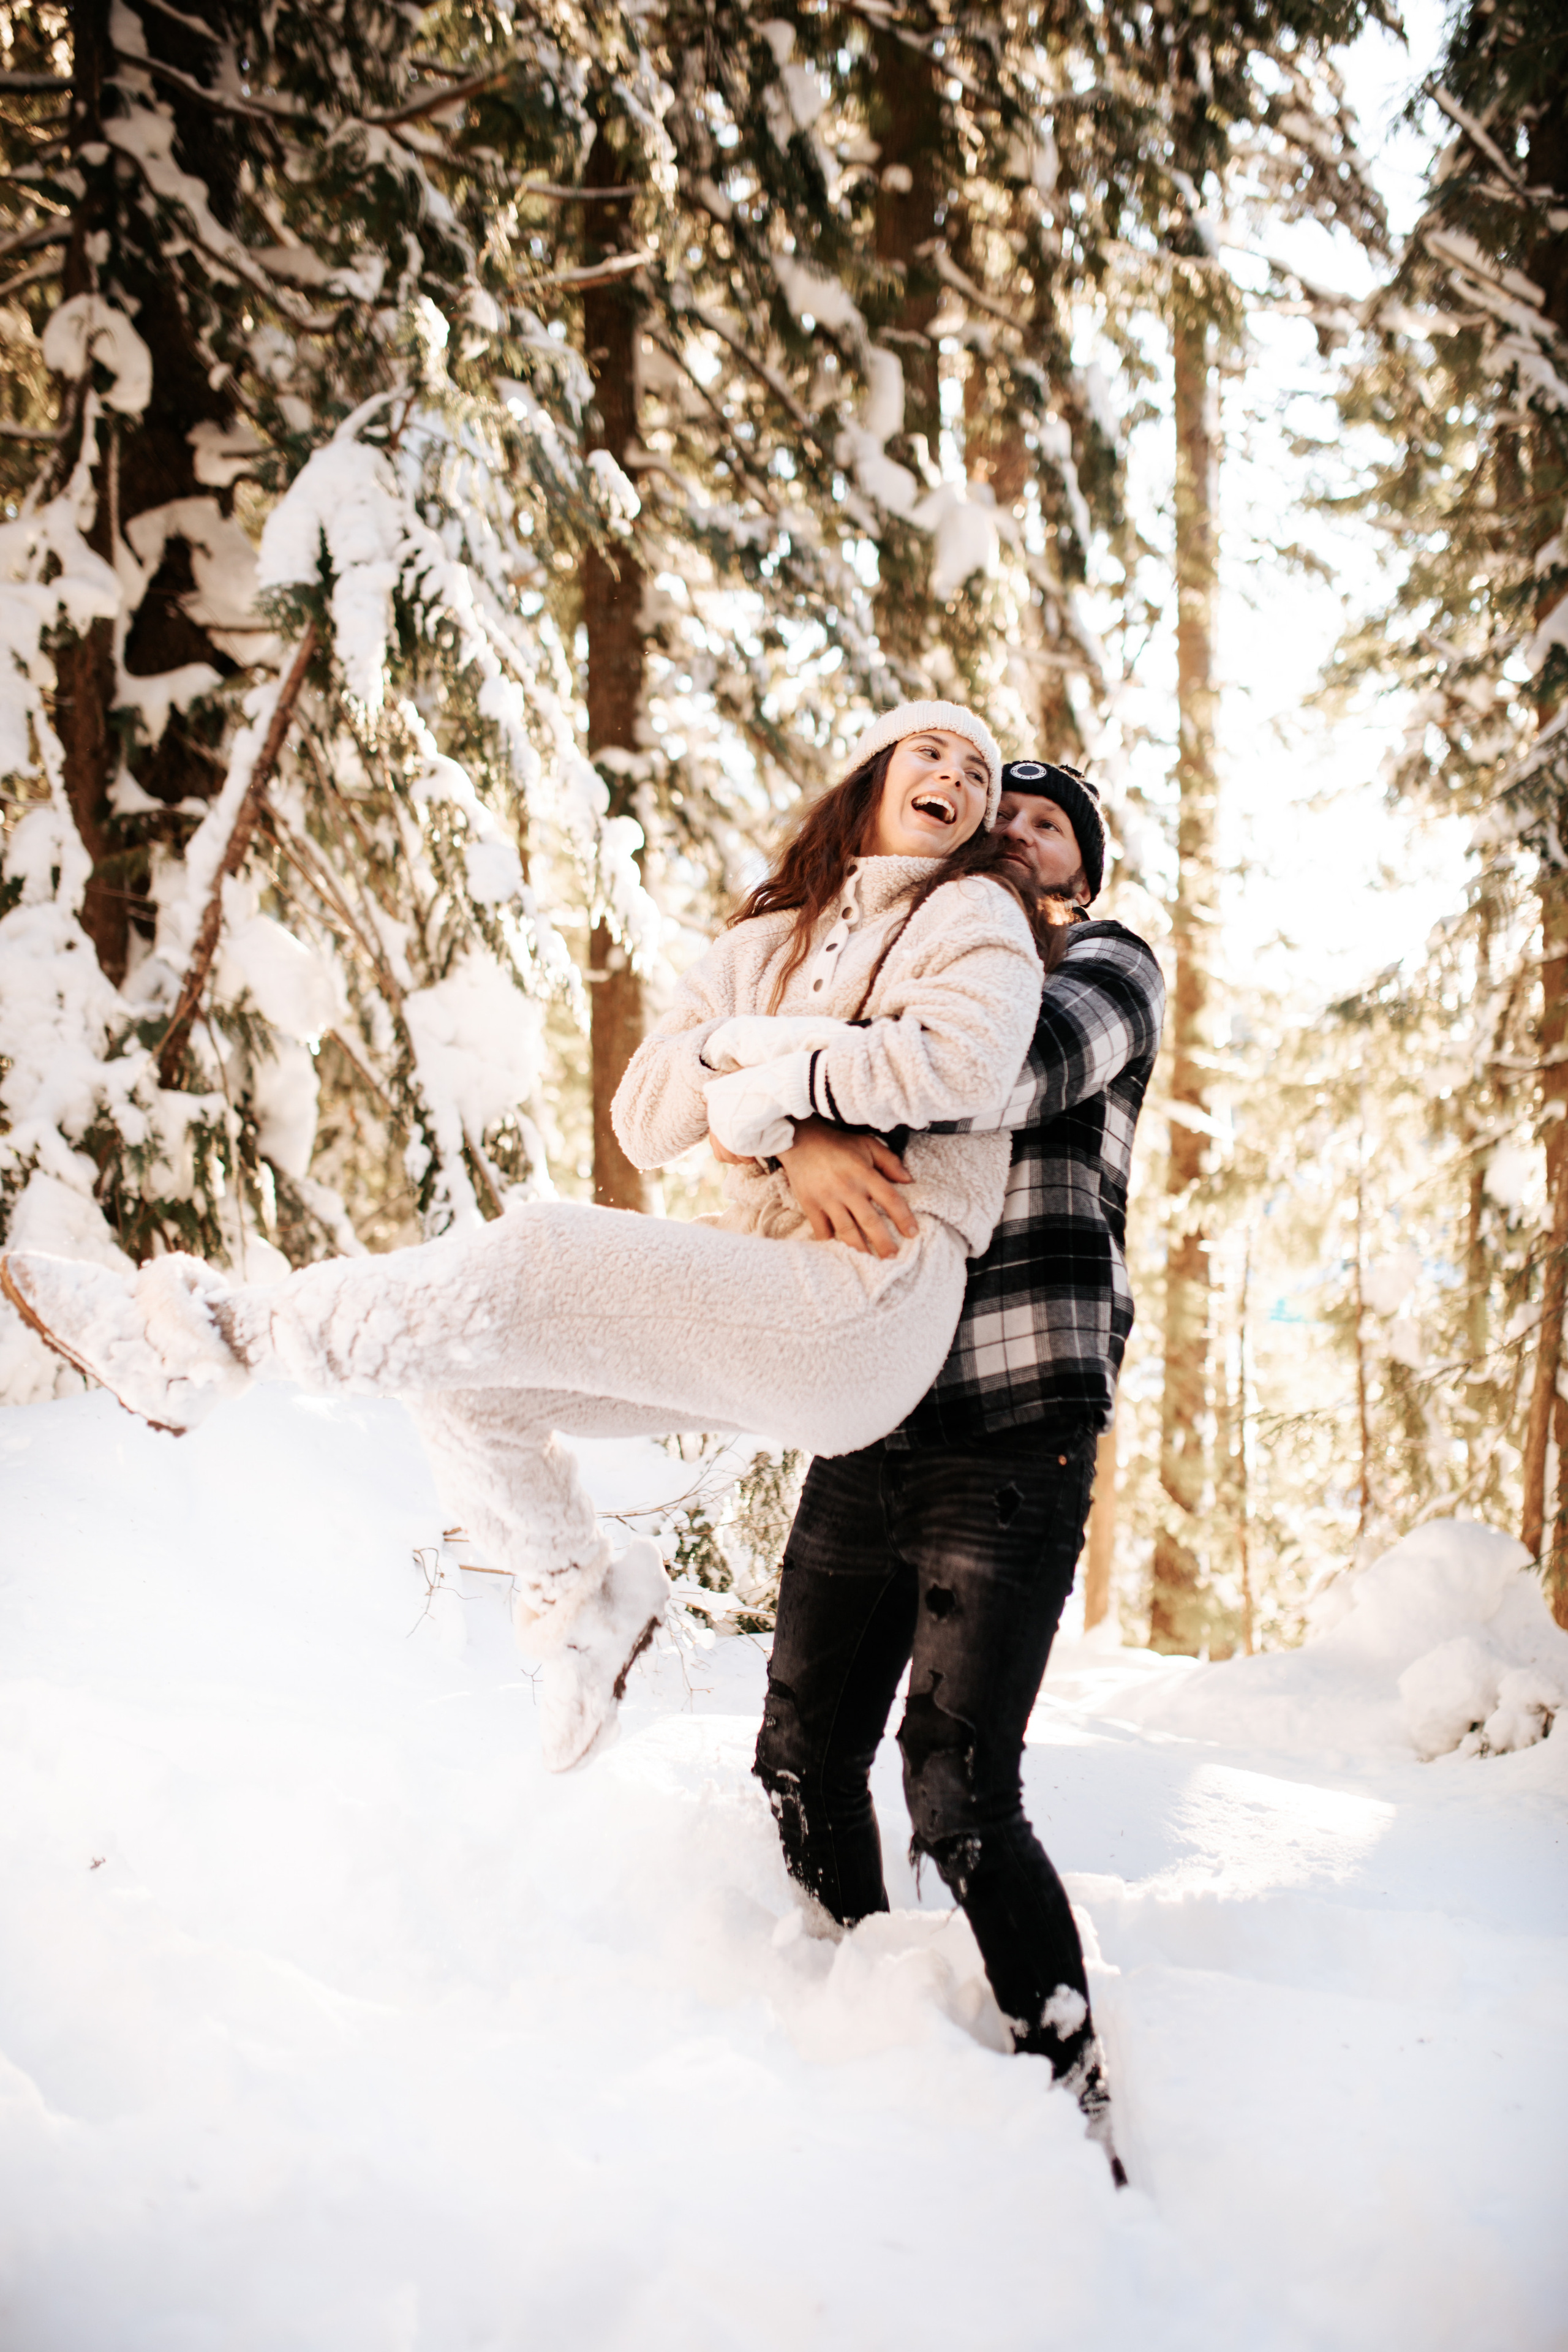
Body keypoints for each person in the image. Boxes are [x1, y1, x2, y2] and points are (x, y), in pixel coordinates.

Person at [2, 704, 1054, 1775]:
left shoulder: (973, 914)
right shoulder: (765, 943)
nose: (957, 778)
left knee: (535, 1254)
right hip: (773, 1293)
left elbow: (956, 1065)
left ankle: (212, 1337)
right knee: (465, 1378)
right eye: (931, 752)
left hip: (872, 1295)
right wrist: (758, 1082)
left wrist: (762, 1094)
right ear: (872, 774)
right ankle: (577, 1601)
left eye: (977, 771)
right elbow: (647, 1118)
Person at [752, 759, 1165, 2184]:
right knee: (799, 1754)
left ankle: (1073, 2102)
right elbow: (771, 1072)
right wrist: (799, 1129)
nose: (1012, 835)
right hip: (872, 1407)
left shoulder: (1103, 967)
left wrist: (803, 1099)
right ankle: (862, 2017)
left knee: (955, 1784)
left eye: (1044, 829)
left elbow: (987, 1070)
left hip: (1011, 1425)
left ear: (1080, 880)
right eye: (1000, 819)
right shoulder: (912, 967)